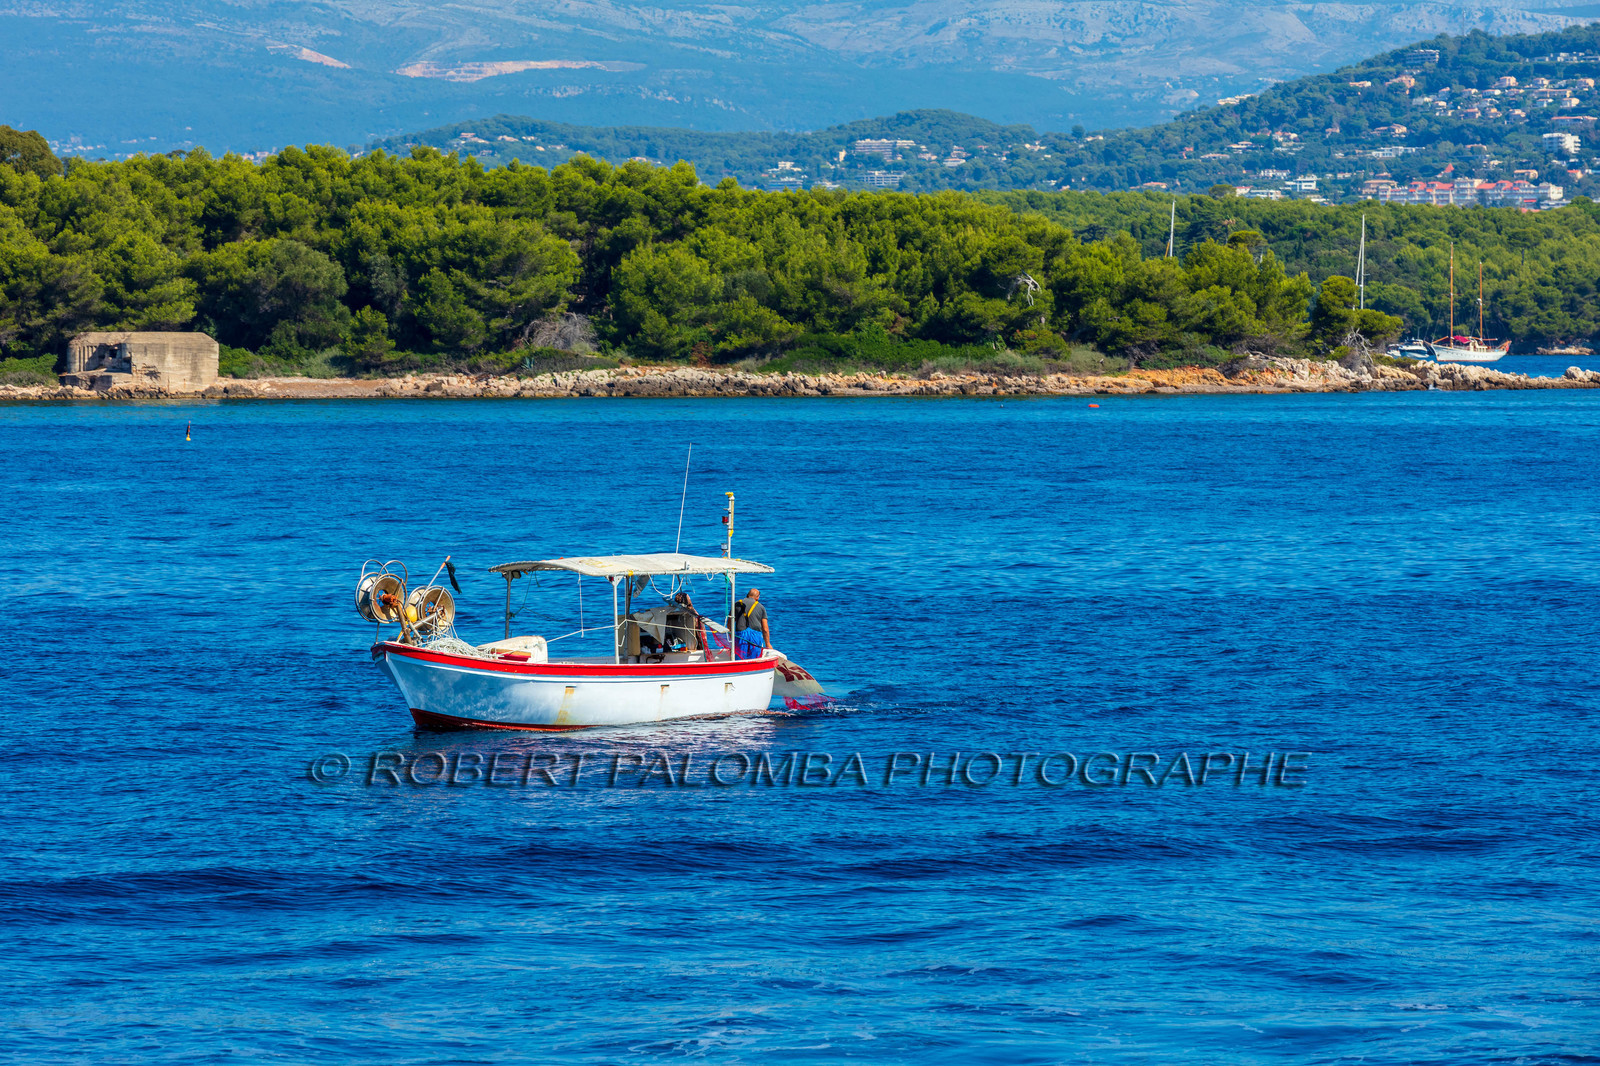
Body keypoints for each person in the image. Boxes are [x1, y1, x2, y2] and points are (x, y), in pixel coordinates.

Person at [735, 587, 770, 660]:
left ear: (747, 595)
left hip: (740, 636)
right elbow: (765, 629)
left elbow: (730, 621)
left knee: (740, 657)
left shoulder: (737, 604)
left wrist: (731, 637)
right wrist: (768, 644)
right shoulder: (761, 607)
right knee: (755, 658)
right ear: (757, 597)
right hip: (755, 636)